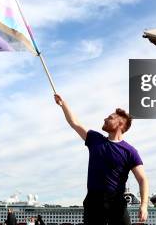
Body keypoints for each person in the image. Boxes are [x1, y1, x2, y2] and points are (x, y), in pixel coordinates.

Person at [54, 94, 149, 225]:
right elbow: (74, 123)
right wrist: (62, 104)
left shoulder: (130, 151)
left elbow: (142, 179)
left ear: (120, 124)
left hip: (117, 203)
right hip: (93, 202)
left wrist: (143, 205)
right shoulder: (95, 139)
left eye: (110, 117)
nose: (105, 118)